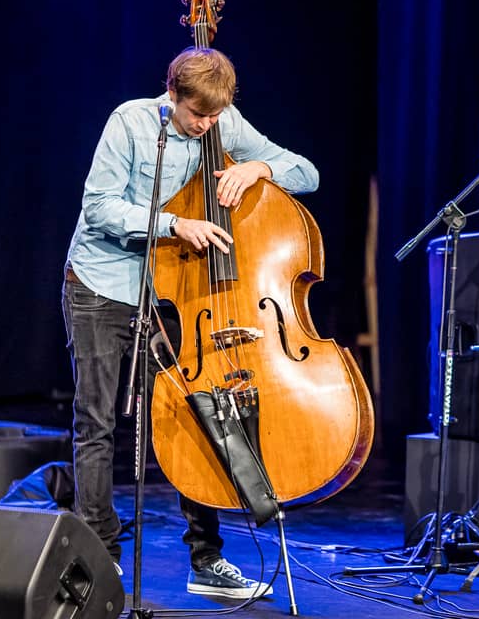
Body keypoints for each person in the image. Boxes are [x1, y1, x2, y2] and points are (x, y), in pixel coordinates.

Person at [62, 47, 319, 599]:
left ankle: (206, 560)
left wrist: (257, 167)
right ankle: (98, 556)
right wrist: (175, 224)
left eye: (215, 115)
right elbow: (99, 207)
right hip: (103, 285)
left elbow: (308, 173)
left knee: (198, 418)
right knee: (97, 423)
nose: (207, 126)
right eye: (198, 114)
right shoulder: (131, 122)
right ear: (173, 94)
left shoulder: (224, 122)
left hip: (174, 298)